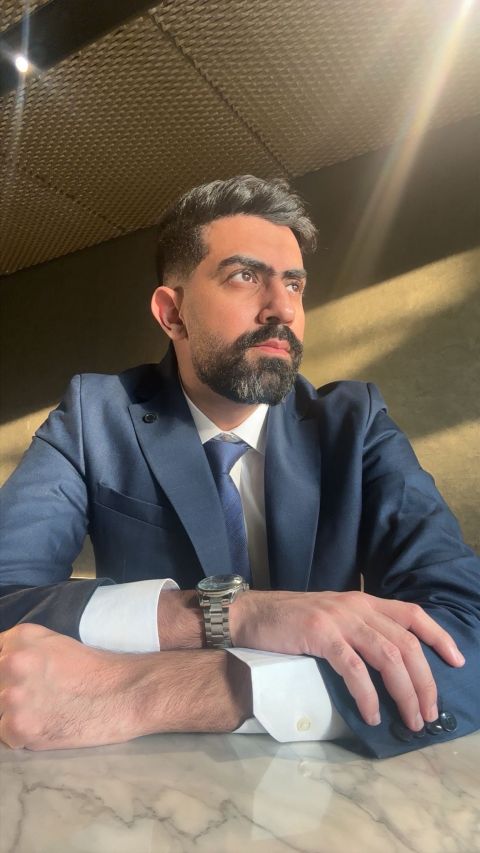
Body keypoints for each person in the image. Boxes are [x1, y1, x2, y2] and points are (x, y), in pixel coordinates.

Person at [0, 176, 478, 757]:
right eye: (245, 277)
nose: (283, 309)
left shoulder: (356, 425)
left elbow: (467, 628)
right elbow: (5, 597)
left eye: (294, 284)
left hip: (320, 775)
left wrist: (153, 691)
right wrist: (238, 615)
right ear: (172, 313)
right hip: (140, 774)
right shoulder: (94, 417)